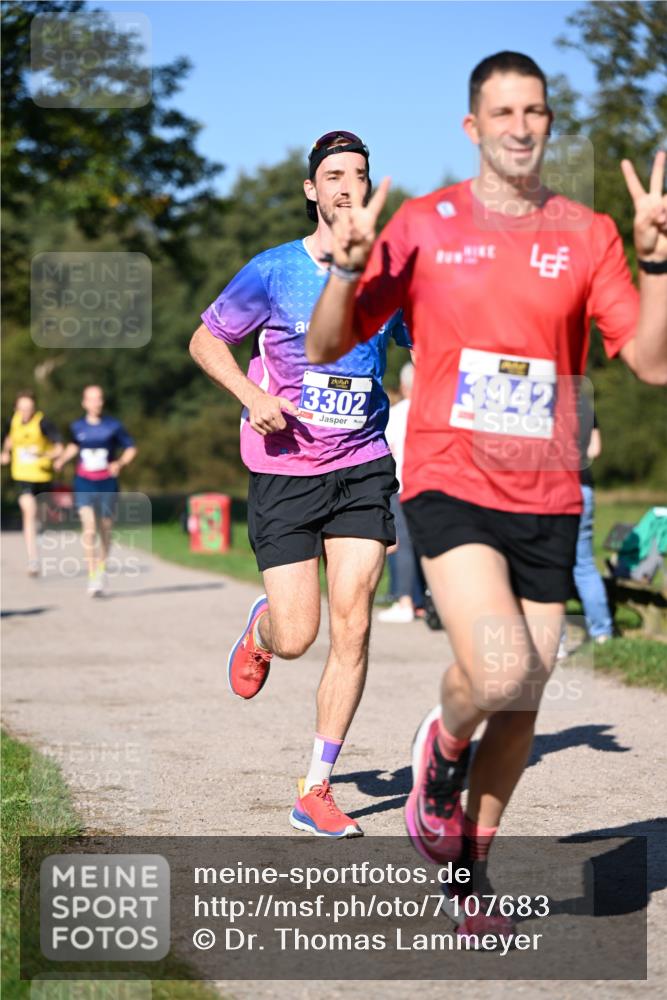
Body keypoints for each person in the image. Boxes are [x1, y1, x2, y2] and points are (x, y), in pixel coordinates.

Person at [306, 51, 666, 932]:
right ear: (473, 128)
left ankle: (469, 876)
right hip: (449, 479)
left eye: (533, 111)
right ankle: (442, 748)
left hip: (546, 490)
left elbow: (652, 363)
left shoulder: (588, 235)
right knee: (500, 665)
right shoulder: (421, 225)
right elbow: (322, 347)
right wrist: (347, 274)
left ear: (547, 124)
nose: (518, 126)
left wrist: (659, 263)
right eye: (500, 113)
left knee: (525, 687)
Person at [190, 131, 410, 838]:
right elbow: (205, 341)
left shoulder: (387, 275)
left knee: (354, 622)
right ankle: (262, 630)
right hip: (284, 467)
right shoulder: (273, 270)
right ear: (312, 191)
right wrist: (247, 396)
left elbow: (433, 341)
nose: (348, 184)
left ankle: (315, 786)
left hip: (362, 463)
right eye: (334, 174)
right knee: (298, 636)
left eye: (359, 174)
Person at [53, 385, 137, 596]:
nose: (95, 403)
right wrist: (62, 459)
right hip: (84, 482)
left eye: (99, 398)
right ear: (84, 403)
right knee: (89, 528)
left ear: (102, 401)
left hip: (107, 483)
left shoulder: (113, 426)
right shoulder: (77, 426)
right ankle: (92, 575)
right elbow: (74, 445)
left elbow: (131, 447)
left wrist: (120, 463)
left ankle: (101, 567)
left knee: (105, 528)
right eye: (91, 399)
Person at [558, 396, 613, 658]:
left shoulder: (538, 393)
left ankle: (555, 641)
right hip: (582, 486)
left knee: (551, 564)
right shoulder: (582, 401)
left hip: (551, 486)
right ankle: (602, 632)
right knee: (585, 565)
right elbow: (595, 449)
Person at [378, 362, 426, 623]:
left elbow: (389, 450)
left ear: (406, 386)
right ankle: (425, 602)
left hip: (402, 485)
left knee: (403, 544)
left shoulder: (396, 414)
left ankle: (405, 600)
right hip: (430, 485)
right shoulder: (434, 412)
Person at [1, 390, 63, 575]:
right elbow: (10, 438)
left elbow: (59, 448)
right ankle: (33, 560)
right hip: (21, 475)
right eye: (21, 409)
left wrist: (45, 454)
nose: (25, 412)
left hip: (42, 477)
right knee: (29, 511)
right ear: (16, 408)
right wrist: (5, 452)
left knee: (40, 516)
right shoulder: (12, 421)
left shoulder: (44, 423)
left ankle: (41, 530)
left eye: (28, 408)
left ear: (34, 408)